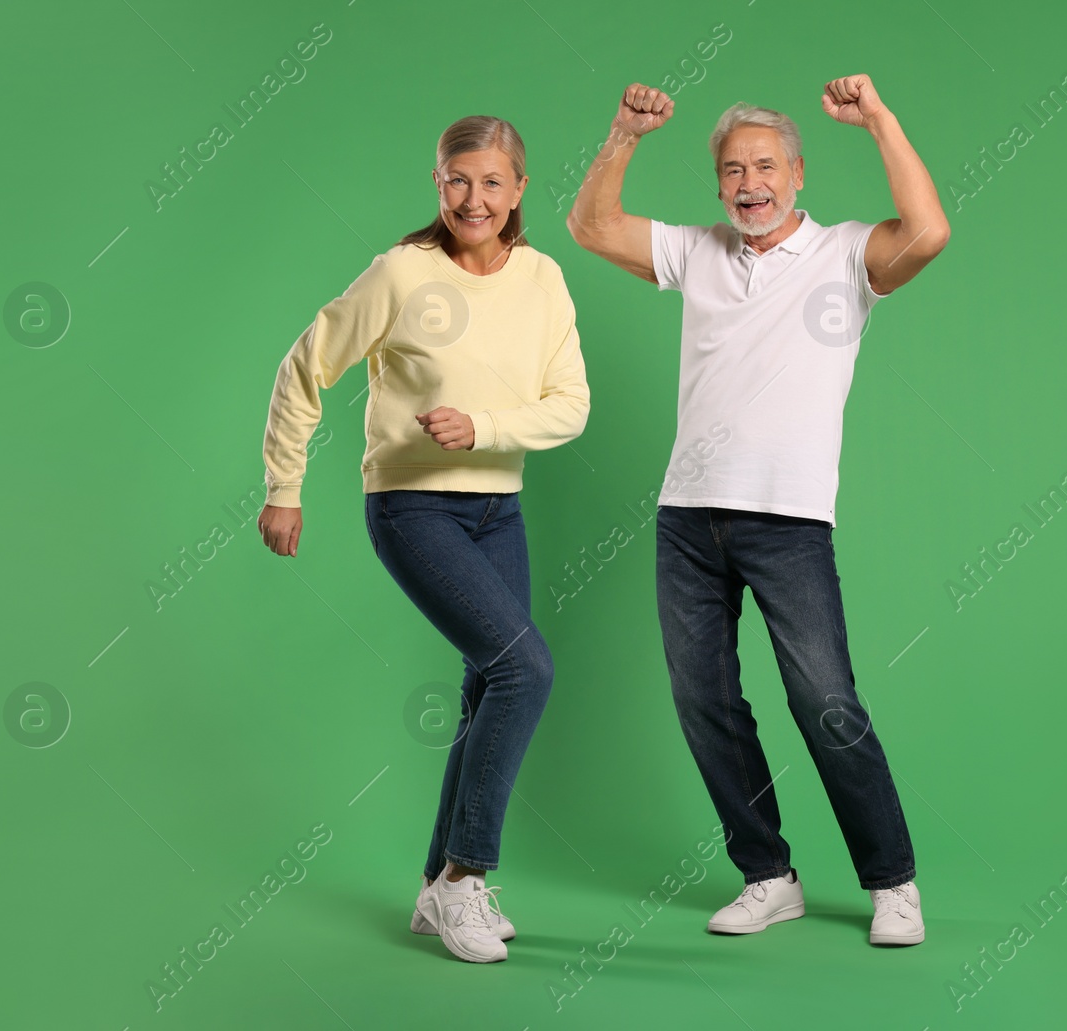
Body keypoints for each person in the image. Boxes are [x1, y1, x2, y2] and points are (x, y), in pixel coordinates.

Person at [565, 76, 949, 946]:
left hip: (788, 518)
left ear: (799, 173)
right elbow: (590, 226)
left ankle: (892, 881)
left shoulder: (846, 255)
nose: (750, 183)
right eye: (734, 169)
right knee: (703, 697)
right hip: (687, 516)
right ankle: (768, 874)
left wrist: (882, 119)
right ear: (718, 185)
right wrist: (624, 133)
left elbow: (928, 231)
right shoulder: (697, 251)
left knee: (825, 700)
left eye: (766, 165)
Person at [257, 115, 590, 964]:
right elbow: (305, 365)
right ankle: (465, 877)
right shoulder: (402, 274)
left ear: (519, 190)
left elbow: (570, 405)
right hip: (412, 507)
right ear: (436, 185)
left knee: (490, 686)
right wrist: (284, 486)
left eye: (491, 183)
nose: (472, 198)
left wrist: (481, 425)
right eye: (456, 180)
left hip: (499, 507)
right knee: (526, 668)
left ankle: (433, 890)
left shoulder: (545, 278)